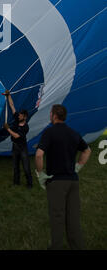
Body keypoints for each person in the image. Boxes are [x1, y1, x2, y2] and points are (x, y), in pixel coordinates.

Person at [35, 104, 91, 250]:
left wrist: (40, 174)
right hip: (73, 181)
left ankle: (56, 247)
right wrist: (78, 166)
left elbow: (39, 154)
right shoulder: (73, 133)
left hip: (56, 182)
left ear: (54, 115)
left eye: (50, 113)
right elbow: (87, 151)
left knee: (57, 217)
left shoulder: (49, 132)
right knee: (73, 218)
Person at [2, 89, 33, 188]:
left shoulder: (25, 127)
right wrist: (8, 95)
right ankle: (16, 183)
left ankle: (29, 184)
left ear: (25, 117)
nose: (18, 116)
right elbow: (12, 106)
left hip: (22, 147)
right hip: (15, 147)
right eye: (19, 115)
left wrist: (8, 129)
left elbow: (16, 135)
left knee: (26, 167)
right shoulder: (17, 119)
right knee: (15, 167)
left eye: (21, 115)